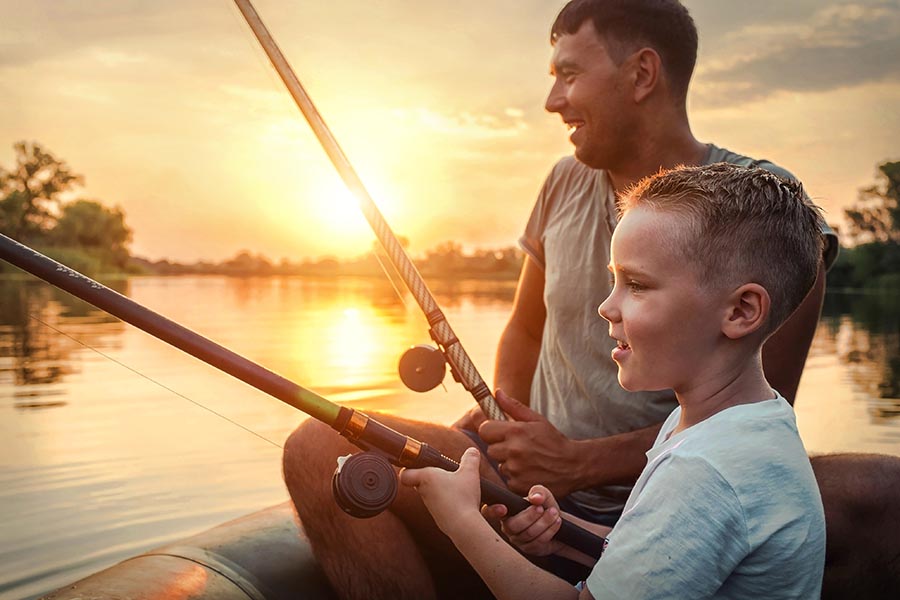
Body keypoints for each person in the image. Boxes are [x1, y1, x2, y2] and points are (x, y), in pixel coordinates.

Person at [282, 1, 839, 598]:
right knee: (318, 444)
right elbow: (524, 330)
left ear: (642, 74)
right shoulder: (560, 181)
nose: (553, 101)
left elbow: (758, 392)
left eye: (569, 74)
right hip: (542, 489)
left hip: (633, 490)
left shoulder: (760, 212)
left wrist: (576, 463)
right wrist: (507, 431)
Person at [402, 162, 828, 599]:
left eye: (637, 285)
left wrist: (461, 521)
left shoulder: (705, 471)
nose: (607, 307)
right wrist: (564, 529)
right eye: (614, 280)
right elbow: (656, 550)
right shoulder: (739, 422)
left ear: (740, 312)